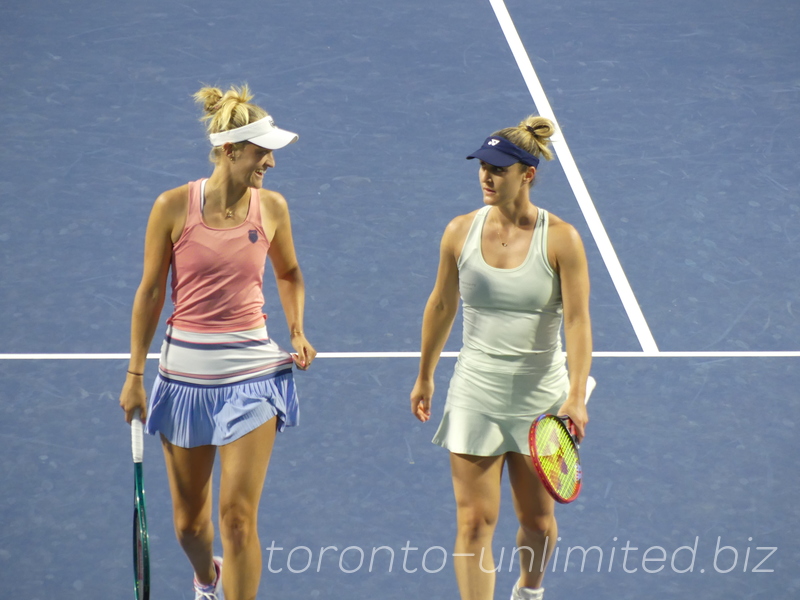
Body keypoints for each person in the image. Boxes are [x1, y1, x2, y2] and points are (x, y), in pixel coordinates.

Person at [119, 83, 316, 600]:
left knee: (238, 518)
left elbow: (290, 273)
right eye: (261, 151)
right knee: (190, 527)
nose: (270, 162)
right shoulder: (171, 208)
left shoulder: (271, 208)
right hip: (184, 378)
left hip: (253, 376)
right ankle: (208, 579)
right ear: (230, 150)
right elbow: (150, 293)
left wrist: (295, 328)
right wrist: (136, 375)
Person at [410, 116, 592, 600]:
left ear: (526, 174)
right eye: (482, 167)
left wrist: (576, 395)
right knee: (474, 522)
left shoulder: (562, 240)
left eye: (498, 168)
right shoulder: (459, 231)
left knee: (537, 522)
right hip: (476, 392)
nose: (486, 177)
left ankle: (529, 591)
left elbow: (577, 322)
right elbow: (442, 304)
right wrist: (425, 374)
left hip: (541, 398)